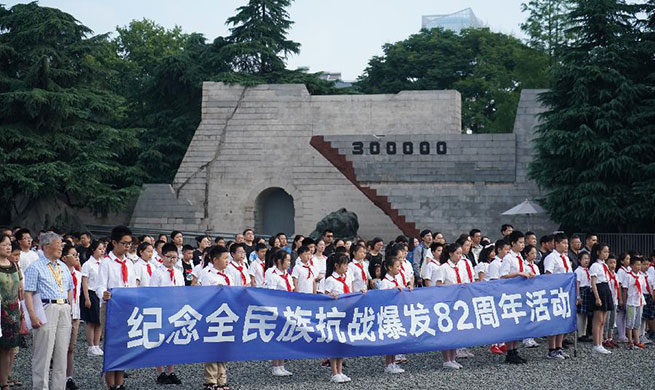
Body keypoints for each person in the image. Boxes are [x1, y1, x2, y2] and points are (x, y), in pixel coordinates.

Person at [24, 232, 74, 390]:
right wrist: (32, 316)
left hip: (64, 308)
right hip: (46, 308)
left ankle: (59, 387)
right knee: (43, 354)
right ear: (46, 246)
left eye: (61, 244)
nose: (61, 247)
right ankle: (40, 387)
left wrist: (70, 308)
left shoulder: (63, 267)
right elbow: (28, 293)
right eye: (58, 244)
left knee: (61, 353)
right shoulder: (35, 267)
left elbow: (69, 289)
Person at [96, 226, 138, 390]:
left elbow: (133, 285)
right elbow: (99, 286)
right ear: (114, 242)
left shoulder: (130, 262)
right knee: (111, 346)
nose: (127, 247)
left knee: (123, 346)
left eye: (129, 244)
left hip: (126, 308)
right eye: (124, 243)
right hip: (111, 308)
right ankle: (111, 384)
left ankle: (120, 383)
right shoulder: (106, 262)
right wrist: (104, 294)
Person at [196, 245, 232, 390]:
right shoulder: (207, 273)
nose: (227, 261)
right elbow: (205, 295)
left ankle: (222, 379)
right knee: (212, 346)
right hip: (212, 315)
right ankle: (211, 380)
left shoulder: (227, 274)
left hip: (226, 314)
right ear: (215, 259)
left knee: (223, 347)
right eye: (225, 258)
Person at [150, 243, 184, 385]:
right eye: (169, 257)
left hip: (175, 310)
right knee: (160, 341)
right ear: (162, 256)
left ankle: (171, 371)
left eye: (174, 257)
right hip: (162, 310)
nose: (171, 260)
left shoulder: (178, 272)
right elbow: (153, 292)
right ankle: (160, 372)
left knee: (173, 341)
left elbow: (182, 290)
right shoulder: (157, 272)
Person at [499, 231, 532, 363]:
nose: (522, 245)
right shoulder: (508, 258)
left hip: (520, 292)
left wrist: (528, 273)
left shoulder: (520, 258)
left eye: (523, 242)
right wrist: (519, 273)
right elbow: (503, 275)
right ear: (513, 243)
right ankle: (509, 351)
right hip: (510, 293)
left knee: (518, 322)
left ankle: (515, 350)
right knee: (511, 322)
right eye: (520, 242)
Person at [323, 253, 352, 383]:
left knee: (342, 343)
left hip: (345, 314)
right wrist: (330, 296)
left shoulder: (345, 278)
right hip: (334, 315)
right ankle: (334, 372)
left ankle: (340, 370)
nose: (346, 267)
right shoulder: (330, 280)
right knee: (334, 343)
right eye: (344, 264)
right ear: (336, 266)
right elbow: (323, 296)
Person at [543, 233, 572, 359]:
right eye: (563, 243)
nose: (566, 246)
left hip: (565, 293)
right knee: (554, 322)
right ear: (556, 244)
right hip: (555, 293)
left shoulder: (565, 258)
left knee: (563, 322)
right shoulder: (551, 258)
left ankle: (559, 347)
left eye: (567, 243)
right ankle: (551, 349)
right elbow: (548, 275)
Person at [435, 243, 464, 369]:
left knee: (456, 331)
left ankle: (453, 357)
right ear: (451, 254)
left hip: (458, 302)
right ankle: (447, 359)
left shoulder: (460, 266)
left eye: (461, 253)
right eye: (457, 253)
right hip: (447, 302)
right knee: (447, 330)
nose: (459, 256)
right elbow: (438, 285)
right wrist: (452, 288)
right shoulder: (443, 268)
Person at [265, 250, 293, 376]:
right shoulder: (273, 275)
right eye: (287, 260)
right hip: (277, 309)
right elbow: (271, 294)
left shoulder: (287, 275)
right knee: (277, 337)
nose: (289, 263)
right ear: (279, 261)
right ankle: (275, 365)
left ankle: (281, 364)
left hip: (287, 308)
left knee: (284, 336)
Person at [0, 234, 23, 390]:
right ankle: (4, 383)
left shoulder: (13, 264)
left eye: (9, 245)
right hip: (1, 310)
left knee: (10, 347)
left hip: (14, 310)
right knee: (2, 347)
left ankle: (7, 377)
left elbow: (18, 288)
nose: (8, 247)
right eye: (4, 245)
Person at [378, 256, 405, 374]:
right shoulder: (385, 282)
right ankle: (388, 364)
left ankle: (393, 362)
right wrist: (394, 290)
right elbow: (383, 297)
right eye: (397, 266)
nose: (399, 269)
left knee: (395, 338)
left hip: (396, 312)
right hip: (388, 314)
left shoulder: (395, 279)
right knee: (390, 338)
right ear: (389, 267)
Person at [61, 244, 82, 390]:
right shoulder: (60, 273)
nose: (76, 257)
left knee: (70, 348)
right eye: (73, 255)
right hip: (63, 313)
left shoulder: (79, 275)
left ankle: (69, 377)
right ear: (64, 258)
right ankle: (59, 377)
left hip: (75, 314)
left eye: (77, 255)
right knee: (60, 347)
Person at [80, 240, 104, 357]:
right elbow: (85, 282)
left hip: (100, 293)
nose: (102, 251)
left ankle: (97, 345)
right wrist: (87, 298)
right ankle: (90, 346)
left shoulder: (103, 263)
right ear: (93, 250)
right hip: (91, 292)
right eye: (99, 249)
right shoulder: (87, 264)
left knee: (99, 321)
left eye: (103, 249)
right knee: (92, 321)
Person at [589, 243, 613, 354]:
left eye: (607, 252)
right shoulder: (594, 265)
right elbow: (593, 283)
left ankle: (600, 343)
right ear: (598, 252)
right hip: (599, 290)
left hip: (605, 289)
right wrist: (597, 297)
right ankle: (596, 344)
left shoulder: (605, 265)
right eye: (604, 251)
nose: (606, 254)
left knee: (603, 320)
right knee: (598, 320)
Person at [623, 256, 646, 349]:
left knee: (637, 321)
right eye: (637, 265)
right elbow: (625, 290)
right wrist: (624, 302)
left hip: (639, 302)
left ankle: (637, 340)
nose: (639, 267)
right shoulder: (628, 276)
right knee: (630, 321)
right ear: (632, 265)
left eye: (640, 265)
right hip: (631, 302)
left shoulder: (641, 276)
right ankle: (630, 341)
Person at [574, 252, 592, 343]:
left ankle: (584, 333)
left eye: (588, 259)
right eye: (584, 259)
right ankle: (580, 334)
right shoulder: (578, 271)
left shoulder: (588, 270)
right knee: (580, 314)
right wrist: (578, 296)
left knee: (585, 314)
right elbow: (577, 284)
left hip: (588, 291)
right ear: (579, 260)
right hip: (582, 291)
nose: (586, 261)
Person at [604, 254, 620, 348]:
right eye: (610, 262)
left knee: (612, 320)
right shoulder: (606, 274)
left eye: (614, 262)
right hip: (608, 300)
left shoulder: (616, 275)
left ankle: (610, 337)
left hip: (614, 300)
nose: (613, 265)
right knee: (606, 319)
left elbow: (618, 287)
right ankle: (604, 338)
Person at [616, 252, 632, 343]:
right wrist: (621, 298)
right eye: (627, 259)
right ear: (622, 261)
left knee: (626, 315)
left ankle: (625, 334)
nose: (628, 260)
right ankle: (621, 334)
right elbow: (619, 285)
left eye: (629, 259)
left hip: (629, 294)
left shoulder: (629, 269)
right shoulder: (620, 271)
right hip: (623, 293)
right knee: (621, 314)